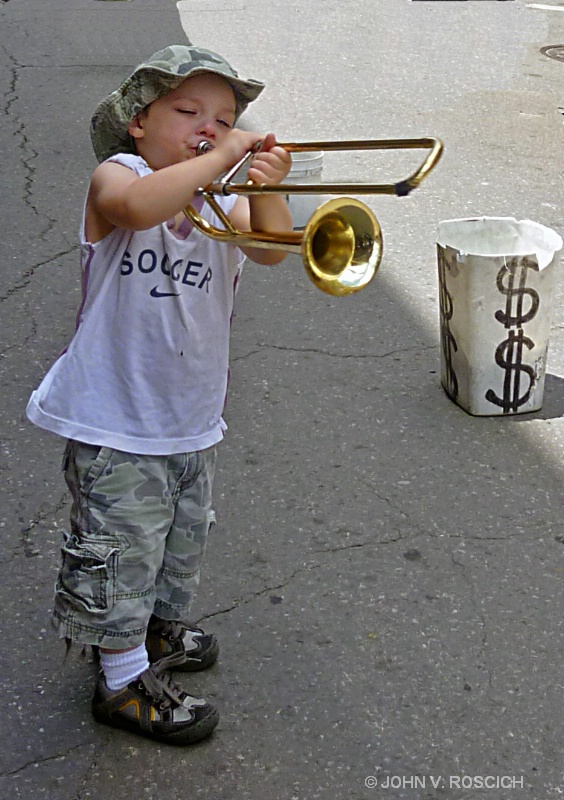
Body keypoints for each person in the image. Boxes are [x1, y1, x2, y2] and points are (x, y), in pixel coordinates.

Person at [26, 43, 293, 746]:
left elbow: (272, 248)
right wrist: (225, 152)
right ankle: (120, 680)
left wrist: (265, 186)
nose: (210, 126)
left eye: (225, 117)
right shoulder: (120, 175)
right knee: (117, 546)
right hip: (114, 418)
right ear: (137, 122)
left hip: (190, 416)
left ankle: (154, 627)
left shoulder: (221, 197)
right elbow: (138, 209)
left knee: (177, 541)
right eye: (188, 111)